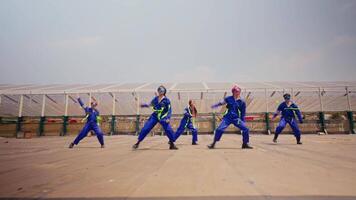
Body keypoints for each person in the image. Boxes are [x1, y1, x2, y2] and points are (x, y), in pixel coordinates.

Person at [132, 85, 178, 150]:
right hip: (155, 116)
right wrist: (144, 105)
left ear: (164, 91)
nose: (160, 91)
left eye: (161, 90)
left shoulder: (167, 100)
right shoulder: (155, 99)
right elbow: (150, 104)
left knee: (168, 130)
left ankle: (172, 144)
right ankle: (138, 143)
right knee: (146, 128)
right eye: (159, 90)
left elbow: (169, 110)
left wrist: (168, 118)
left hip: (163, 117)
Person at [208, 85, 253, 149]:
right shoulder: (228, 98)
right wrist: (215, 105)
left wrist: (243, 121)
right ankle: (213, 143)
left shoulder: (242, 102)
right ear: (233, 92)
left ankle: (245, 144)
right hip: (227, 118)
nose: (237, 92)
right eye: (236, 91)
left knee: (245, 129)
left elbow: (243, 113)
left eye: (238, 91)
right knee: (219, 129)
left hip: (236, 118)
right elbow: (221, 103)